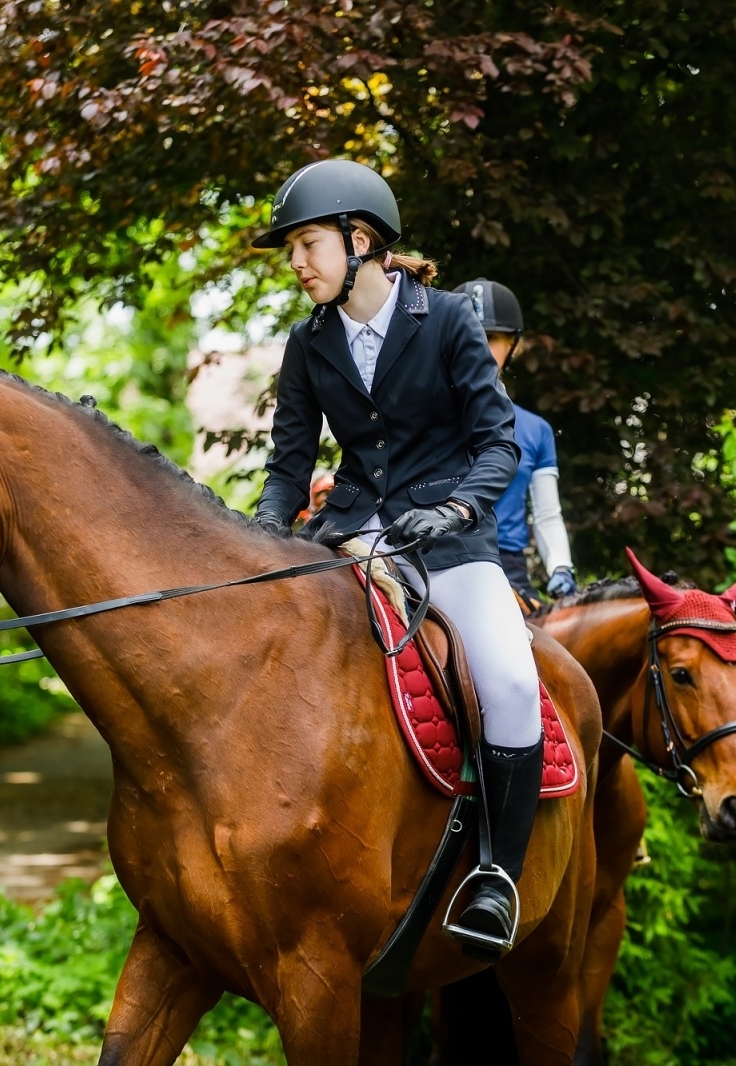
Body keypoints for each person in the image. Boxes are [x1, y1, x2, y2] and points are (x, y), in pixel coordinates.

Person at [249, 159, 541, 961]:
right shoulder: (308, 343)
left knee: (512, 680)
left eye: (308, 244)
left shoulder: (446, 321)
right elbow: (288, 462)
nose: (298, 263)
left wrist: (455, 506)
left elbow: (496, 443)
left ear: (361, 239)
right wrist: (266, 532)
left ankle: (497, 876)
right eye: (293, 249)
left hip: (446, 536)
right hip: (348, 532)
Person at [453, 279, 577, 609]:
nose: (478, 345)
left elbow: (547, 514)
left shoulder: (536, 429)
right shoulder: (417, 414)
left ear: (514, 345)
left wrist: (560, 566)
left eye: (491, 337)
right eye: (468, 332)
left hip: (506, 567)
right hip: (434, 555)